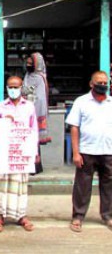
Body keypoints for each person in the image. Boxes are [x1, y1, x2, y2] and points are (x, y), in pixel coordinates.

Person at [0, 76, 38, 233]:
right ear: (6, 87)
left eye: (16, 87)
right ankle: (0, 216)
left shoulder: (29, 107)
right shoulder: (1, 106)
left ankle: (21, 215)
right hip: (5, 151)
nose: (13, 89)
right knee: (3, 183)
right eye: (10, 87)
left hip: (22, 152)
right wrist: (4, 121)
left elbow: (33, 129)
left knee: (21, 184)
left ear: (21, 87)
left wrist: (35, 151)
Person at [65, 71, 112, 233]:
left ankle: (108, 215)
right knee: (82, 187)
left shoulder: (111, 102)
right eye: (99, 82)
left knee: (109, 186)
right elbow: (74, 127)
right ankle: (78, 216)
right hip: (87, 151)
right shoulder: (82, 102)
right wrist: (76, 152)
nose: (103, 85)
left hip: (108, 152)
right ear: (91, 84)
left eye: (105, 83)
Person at [22, 52, 51, 174]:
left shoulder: (39, 78)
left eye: (30, 63)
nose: (28, 65)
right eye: (27, 63)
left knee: (33, 140)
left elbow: (39, 98)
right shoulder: (27, 75)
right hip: (25, 111)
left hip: (34, 112)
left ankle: (35, 167)